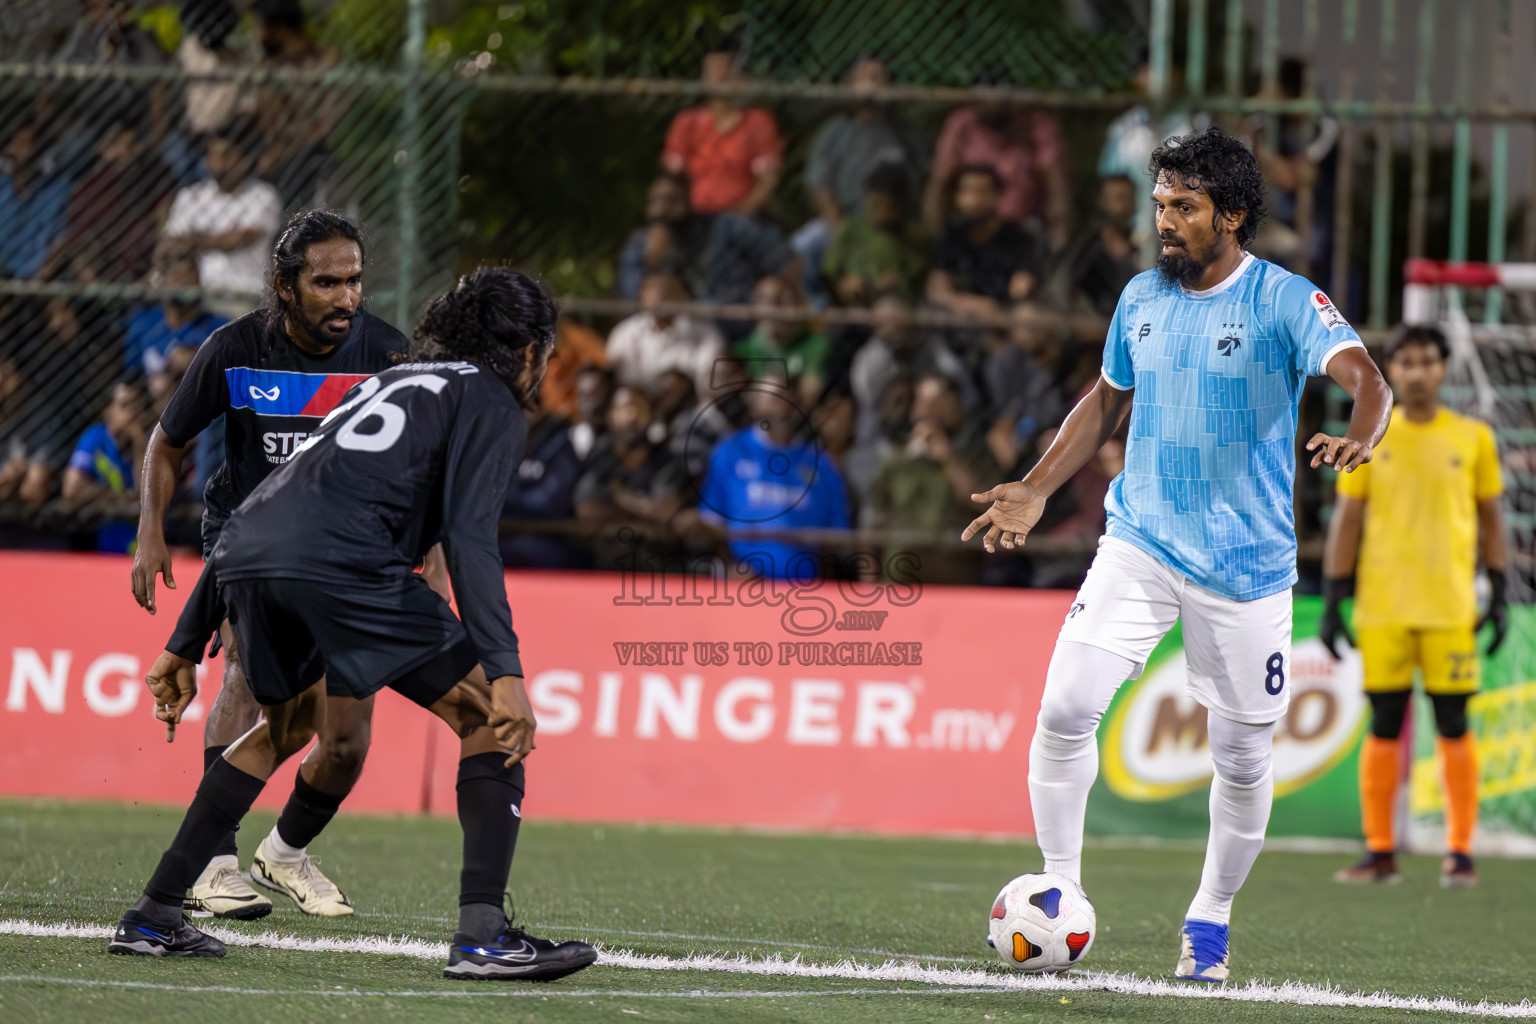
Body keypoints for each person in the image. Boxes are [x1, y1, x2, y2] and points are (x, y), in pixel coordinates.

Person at [962, 127, 1392, 982]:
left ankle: (1211, 918)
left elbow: (1368, 377)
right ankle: (1060, 891)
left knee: (1240, 758)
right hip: (1140, 541)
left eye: (1183, 207)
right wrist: (1040, 487)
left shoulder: (1282, 300)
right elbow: (1103, 402)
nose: (1164, 221)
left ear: (1231, 214)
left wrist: (1361, 435)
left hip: (1246, 568)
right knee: (1064, 708)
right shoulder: (1141, 298)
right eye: (1160, 204)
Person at [109, 266, 598, 981]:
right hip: (344, 562)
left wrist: (184, 642)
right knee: (491, 720)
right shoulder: (489, 399)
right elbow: (469, 541)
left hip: (248, 556)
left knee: (286, 726)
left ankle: (153, 914)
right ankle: (484, 936)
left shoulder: (383, 382)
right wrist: (506, 671)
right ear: (525, 351)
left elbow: (262, 504)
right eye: (545, 354)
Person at [130, 210, 409, 921]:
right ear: (285, 286)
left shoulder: (385, 354)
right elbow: (165, 443)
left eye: (354, 280)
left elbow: (424, 470)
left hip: (342, 550)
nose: (346, 296)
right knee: (247, 683)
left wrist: (428, 562)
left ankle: (284, 852)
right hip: (248, 541)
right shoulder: (233, 348)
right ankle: (215, 864)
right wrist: (149, 533)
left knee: (341, 733)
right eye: (326, 282)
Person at [1323, 325, 1507, 888]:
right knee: (1384, 725)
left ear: (1444, 369)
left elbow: (1492, 515)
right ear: (1393, 371)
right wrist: (1334, 597)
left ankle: (1460, 851)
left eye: (1428, 361)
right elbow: (1347, 521)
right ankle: (1380, 852)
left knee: (1453, 725)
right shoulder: (1372, 437)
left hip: (1452, 608)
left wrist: (1498, 588)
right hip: (1383, 608)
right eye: (1406, 362)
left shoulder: (1473, 438)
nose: (1418, 372)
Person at [794, 56, 926, 305]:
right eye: (866, 77)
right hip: (846, 221)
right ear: (850, 84)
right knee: (805, 244)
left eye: (880, 77)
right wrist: (842, 232)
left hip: (894, 224)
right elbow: (820, 187)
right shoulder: (834, 132)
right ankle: (815, 309)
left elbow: (922, 181)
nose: (874, 84)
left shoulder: (905, 132)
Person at [696, 373, 850, 580]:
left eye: (788, 399)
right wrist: (729, 570)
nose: (782, 407)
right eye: (773, 397)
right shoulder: (730, 452)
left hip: (805, 595)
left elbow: (836, 538)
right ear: (754, 404)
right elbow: (710, 524)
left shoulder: (821, 464)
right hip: (741, 590)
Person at [157, 117, 282, 313]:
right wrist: (213, 240)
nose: (218, 163)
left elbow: (238, 240)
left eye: (227, 156)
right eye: (213, 155)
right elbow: (168, 245)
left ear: (245, 160)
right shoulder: (191, 196)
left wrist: (190, 241)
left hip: (244, 297)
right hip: (197, 297)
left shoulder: (263, 195)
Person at [616, 173, 795, 306]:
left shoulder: (726, 226)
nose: (662, 209)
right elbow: (633, 298)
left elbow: (784, 261)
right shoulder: (639, 244)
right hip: (687, 335)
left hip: (743, 324)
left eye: (672, 200)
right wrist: (652, 261)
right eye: (655, 201)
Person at [924, 99, 1069, 248]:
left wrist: (1059, 235)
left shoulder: (1037, 125)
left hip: (1024, 231)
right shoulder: (962, 123)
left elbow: (1056, 184)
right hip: (973, 231)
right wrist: (937, 239)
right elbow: (940, 182)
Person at [661, 46, 783, 217]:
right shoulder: (688, 121)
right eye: (713, 73)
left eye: (725, 73)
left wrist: (737, 217)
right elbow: (671, 175)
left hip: (741, 218)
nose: (718, 77)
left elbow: (767, 182)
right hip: (693, 218)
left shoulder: (758, 122)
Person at [927, 165, 1049, 320]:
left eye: (981, 192)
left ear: (997, 196)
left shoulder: (1016, 237)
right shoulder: (953, 235)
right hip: (962, 319)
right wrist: (973, 305)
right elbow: (938, 288)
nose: (973, 200)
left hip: (1006, 319)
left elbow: (1023, 286)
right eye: (966, 191)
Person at [822, 165, 931, 306]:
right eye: (872, 204)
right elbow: (829, 274)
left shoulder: (916, 238)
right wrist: (844, 285)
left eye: (882, 205)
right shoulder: (852, 229)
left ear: (900, 204)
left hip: (894, 303)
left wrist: (894, 282)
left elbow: (920, 279)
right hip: (852, 304)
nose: (875, 210)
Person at [61, 379, 150, 553]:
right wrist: (116, 496)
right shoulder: (96, 438)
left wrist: (139, 444)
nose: (132, 413)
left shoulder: (145, 442)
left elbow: (144, 496)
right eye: (124, 405)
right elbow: (71, 489)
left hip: (139, 540)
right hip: (103, 539)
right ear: (109, 412)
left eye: (136, 406)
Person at [605, 272, 725, 396]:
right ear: (642, 298)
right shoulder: (624, 334)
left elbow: (707, 381)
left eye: (667, 294)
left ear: (682, 296)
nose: (657, 301)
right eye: (650, 295)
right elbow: (622, 383)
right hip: (641, 408)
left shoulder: (705, 334)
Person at [124, 257, 228, 377]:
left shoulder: (220, 327)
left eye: (189, 280)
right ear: (164, 284)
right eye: (177, 278)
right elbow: (131, 376)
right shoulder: (143, 323)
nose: (183, 286)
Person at [1063, 175, 1141, 316]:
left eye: (1130, 197)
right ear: (1102, 201)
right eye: (1120, 198)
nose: (1127, 204)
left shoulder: (1127, 237)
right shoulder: (1106, 238)